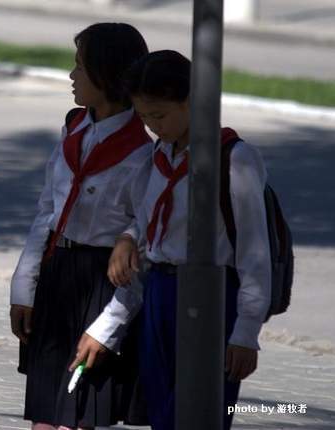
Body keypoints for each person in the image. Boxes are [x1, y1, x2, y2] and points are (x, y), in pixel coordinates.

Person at [110, 49, 271, 430]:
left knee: (202, 413)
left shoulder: (234, 158)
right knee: (163, 413)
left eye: (160, 115)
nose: (152, 126)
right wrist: (128, 239)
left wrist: (246, 331)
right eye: (145, 116)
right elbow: (146, 221)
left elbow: (254, 251)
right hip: (161, 292)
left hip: (213, 296)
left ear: (192, 100)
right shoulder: (159, 155)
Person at [10, 23, 152, 429]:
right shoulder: (74, 128)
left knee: (77, 415)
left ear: (107, 74)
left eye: (80, 66)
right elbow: (47, 212)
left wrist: (108, 329)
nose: (72, 76)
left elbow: (142, 255)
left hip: (103, 286)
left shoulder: (142, 154)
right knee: (43, 415)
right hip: (58, 276)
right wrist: (24, 288)